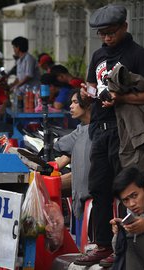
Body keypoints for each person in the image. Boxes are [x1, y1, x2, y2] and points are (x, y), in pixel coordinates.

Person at [75, 4, 144, 267]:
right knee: (99, 189)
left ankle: (124, 246)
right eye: (102, 33)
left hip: (127, 132)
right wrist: (85, 94)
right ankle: (103, 245)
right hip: (99, 131)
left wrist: (123, 98)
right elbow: (92, 87)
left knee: (126, 190)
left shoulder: (139, 55)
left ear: (125, 27)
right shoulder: (97, 56)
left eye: (111, 32)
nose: (106, 38)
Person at [52, 89, 92, 242]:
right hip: (79, 195)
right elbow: (62, 157)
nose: (70, 106)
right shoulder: (80, 129)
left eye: (75, 102)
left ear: (87, 105)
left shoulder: (97, 131)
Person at [0, 37, 40, 117]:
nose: (13, 49)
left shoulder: (29, 59)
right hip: (23, 93)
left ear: (18, 47)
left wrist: (16, 86)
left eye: (14, 47)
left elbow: (29, 75)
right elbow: (19, 78)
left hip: (32, 92)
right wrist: (12, 86)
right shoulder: (19, 61)